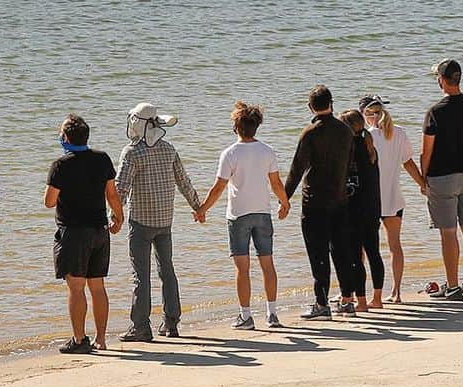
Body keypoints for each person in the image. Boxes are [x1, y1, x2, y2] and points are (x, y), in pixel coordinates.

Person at [195, 101, 290, 330]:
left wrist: (202, 209)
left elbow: (218, 187)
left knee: (242, 268)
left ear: (236, 127)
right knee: (268, 263)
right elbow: (276, 183)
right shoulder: (267, 150)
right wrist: (285, 202)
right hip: (262, 213)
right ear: (257, 126)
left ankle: (246, 316)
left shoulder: (230, 153)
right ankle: (272, 314)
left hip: (238, 216)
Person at [114, 102, 202, 342]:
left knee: (140, 275)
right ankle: (171, 323)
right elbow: (183, 181)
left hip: (141, 222)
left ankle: (141, 327)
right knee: (167, 270)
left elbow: (120, 189)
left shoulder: (131, 152)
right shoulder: (168, 149)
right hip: (165, 221)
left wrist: (115, 217)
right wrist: (198, 206)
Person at [44, 114, 123, 354]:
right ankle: (101, 339)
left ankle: (79, 340)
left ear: (66, 137)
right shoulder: (102, 159)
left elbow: (49, 202)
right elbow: (112, 194)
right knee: (97, 287)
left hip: (74, 233)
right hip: (99, 229)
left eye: (61, 133)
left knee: (76, 288)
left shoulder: (61, 165)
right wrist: (119, 217)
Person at [285, 84, 356, 319]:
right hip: (340, 199)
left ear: (310, 107)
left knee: (318, 253)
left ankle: (322, 303)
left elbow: (297, 169)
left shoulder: (310, 132)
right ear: (331, 103)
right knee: (341, 250)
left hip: (315, 201)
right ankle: (347, 300)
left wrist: (284, 198)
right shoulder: (345, 130)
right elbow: (350, 164)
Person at [422, 59, 463, 300]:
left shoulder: (435, 111)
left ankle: (453, 285)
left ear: (441, 80)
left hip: (442, 176)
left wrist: (423, 177)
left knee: (448, 233)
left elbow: (427, 150)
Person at [360, 94, 425, 302]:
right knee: (395, 246)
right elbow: (408, 162)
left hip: (369, 200)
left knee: (362, 249)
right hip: (394, 198)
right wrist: (422, 184)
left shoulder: (366, 136)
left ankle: (358, 293)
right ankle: (396, 293)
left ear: (365, 114)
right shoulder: (399, 132)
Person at [339, 108, 383, 311]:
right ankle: (378, 298)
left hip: (354, 209)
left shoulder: (348, 149)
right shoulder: (370, 147)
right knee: (374, 252)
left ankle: (362, 301)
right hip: (372, 207)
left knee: (356, 257)